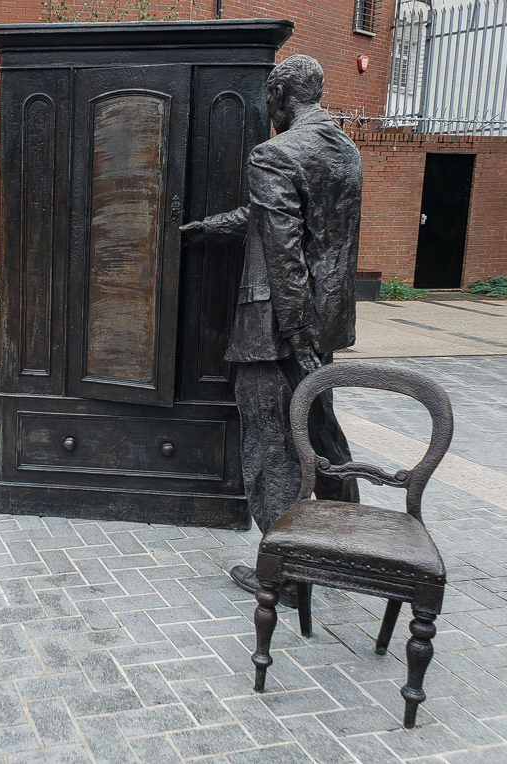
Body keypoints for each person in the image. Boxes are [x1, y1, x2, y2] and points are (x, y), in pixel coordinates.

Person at [180, 54, 361, 607]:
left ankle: (281, 574)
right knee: (320, 431)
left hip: (278, 326)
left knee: (270, 445)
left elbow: (283, 255)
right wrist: (207, 229)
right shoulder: (343, 149)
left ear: (281, 97)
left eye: (268, 100)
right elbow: (278, 221)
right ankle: (342, 549)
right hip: (324, 320)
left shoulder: (274, 152)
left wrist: (297, 338)